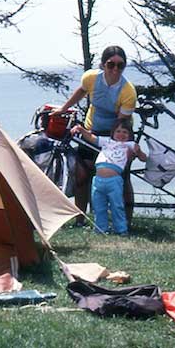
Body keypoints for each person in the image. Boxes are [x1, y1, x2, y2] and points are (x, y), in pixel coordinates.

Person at [52, 46, 137, 226]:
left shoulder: (128, 92)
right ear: (103, 65)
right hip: (92, 129)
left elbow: (121, 124)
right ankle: (80, 219)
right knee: (82, 174)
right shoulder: (91, 78)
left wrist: (116, 147)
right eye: (111, 64)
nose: (115, 69)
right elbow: (82, 91)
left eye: (120, 65)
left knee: (121, 176)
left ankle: (126, 221)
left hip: (117, 134)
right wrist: (64, 109)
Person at [71, 120, 146, 235]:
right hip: (98, 180)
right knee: (98, 206)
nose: (121, 134)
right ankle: (101, 229)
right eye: (118, 131)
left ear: (130, 135)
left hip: (114, 181)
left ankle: (121, 229)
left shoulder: (130, 145)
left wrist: (138, 152)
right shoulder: (107, 142)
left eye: (125, 132)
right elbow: (91, 137)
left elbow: (144, 158)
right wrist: (81, 129)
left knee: (117, 205)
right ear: (113, 133)